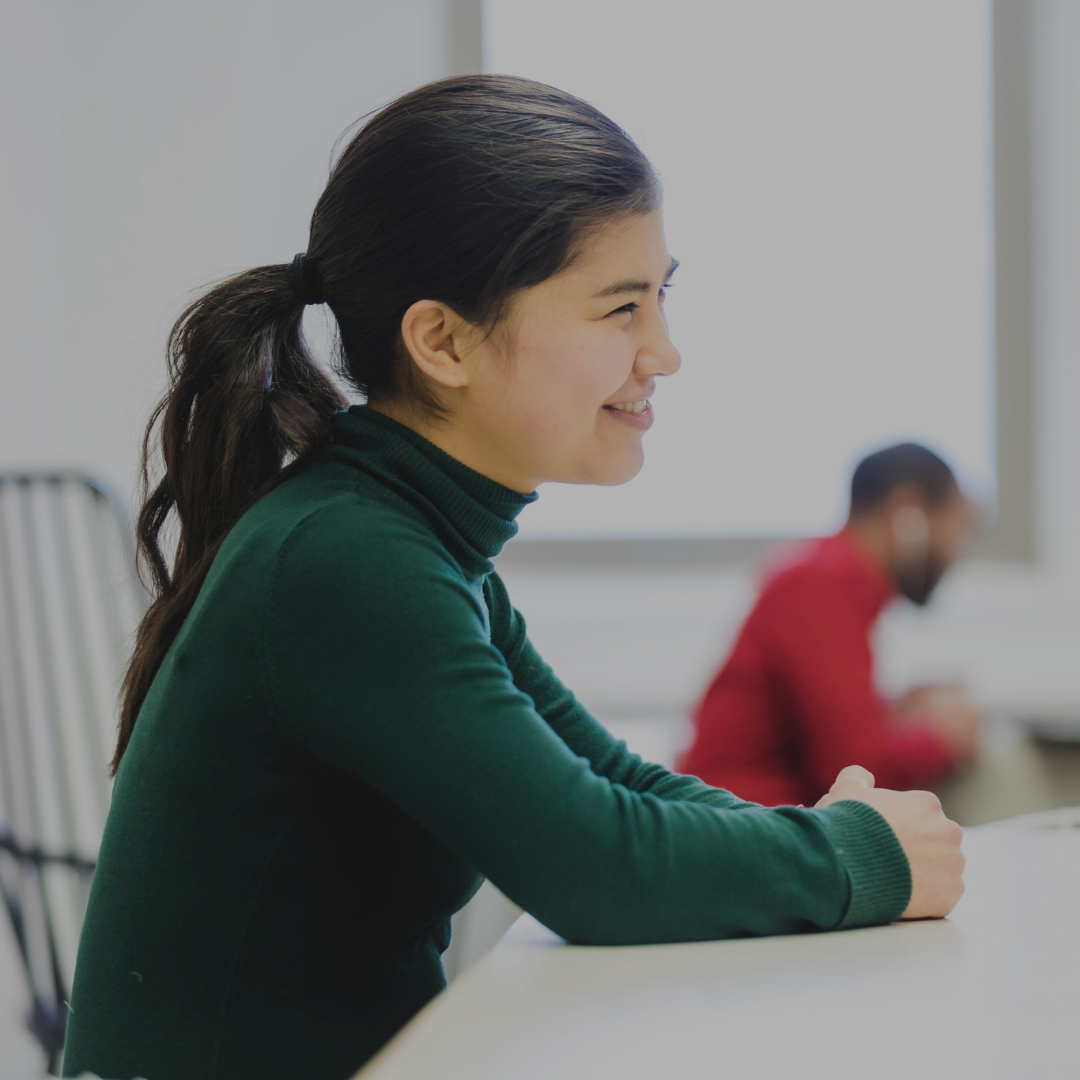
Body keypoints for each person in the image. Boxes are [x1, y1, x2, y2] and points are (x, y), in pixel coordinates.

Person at [63, 78, 964, 1080]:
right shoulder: (345, 559)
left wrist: (823, 836)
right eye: (621, 307)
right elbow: (593, 866)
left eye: (662, 295)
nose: (665, 351)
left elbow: (609, 783)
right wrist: (852, 855)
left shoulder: (420, 547)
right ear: (442, 341)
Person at [681, 443, 982, 808]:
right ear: (909, 513)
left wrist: (898, 711)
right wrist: (943, 735)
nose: (957, 551)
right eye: (958, 527)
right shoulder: (820, 586)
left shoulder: (830, 579)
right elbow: (856, 771)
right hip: (739, 826)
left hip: (757, 818)